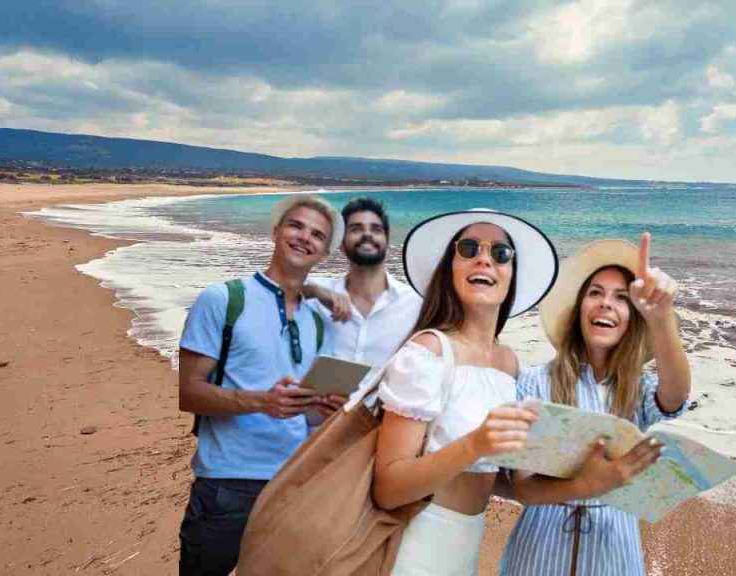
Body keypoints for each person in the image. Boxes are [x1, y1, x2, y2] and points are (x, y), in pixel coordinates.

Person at [371, 209, 559, 575]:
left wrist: (588, 479)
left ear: (511, 275)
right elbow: (388, 489)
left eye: (500, 253)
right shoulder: (428, 352)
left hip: (467, 550)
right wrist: (475, 443)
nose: (484, 258)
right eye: (469, 248)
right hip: (415, 547)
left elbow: (496, 479)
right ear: (450, 269)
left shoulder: (509, 363)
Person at [499, 233, 692, 576]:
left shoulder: (638, 388)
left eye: (621, 298)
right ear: (578, 311)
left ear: (632, 318)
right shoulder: (534, 382)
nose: (606, 304)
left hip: (614, 554)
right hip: (538, 552)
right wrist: (584, 486)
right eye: (595, 293)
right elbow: (521, 486)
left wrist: (661, 318)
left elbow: (675, 399)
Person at [176, 194, 344, 576]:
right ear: (275, 231)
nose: (305, 237)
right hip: (227, 485)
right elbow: (189, 393)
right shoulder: (223, 299)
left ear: (325, 253)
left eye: (317, 235)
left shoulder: (319, 321)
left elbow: (312, 417)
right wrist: (261, 402)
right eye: (296, 226)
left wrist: (328, 408)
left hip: (295, 484)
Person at [302, 197, 421, 381]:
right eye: (356, 229)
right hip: (316, 407)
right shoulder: (316, 296)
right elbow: (271, 297)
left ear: (387, 241)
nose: (367, 234)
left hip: (380, 408)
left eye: (376, 229)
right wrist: (313, 292)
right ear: (340, 244)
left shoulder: (414, 305)